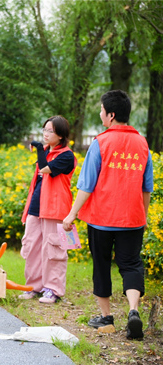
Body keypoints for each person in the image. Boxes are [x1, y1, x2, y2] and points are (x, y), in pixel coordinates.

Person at [63, 90, 153, 340]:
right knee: (131, 264)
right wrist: (142, 217)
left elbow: (87, 185)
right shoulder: (142, 143)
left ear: (111, 115)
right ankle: (133, 311)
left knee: (102, 265)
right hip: (133, 219)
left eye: (102, 110)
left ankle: (107, 318)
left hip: (102, 219)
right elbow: (147, 187)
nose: (100, 114)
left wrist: (71, 214)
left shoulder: (100, 142)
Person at [19, 116, 77, 304]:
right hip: (36, 206)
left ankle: (53, 289)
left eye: (50, 131)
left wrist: (37, 148)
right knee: (32, 246)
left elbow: (45, 169)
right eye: (44, 129)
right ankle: (34, 287)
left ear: (61, 135)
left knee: (55, 249)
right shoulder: (45, 151)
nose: (45, 134)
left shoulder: (67, 155)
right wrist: (40, 148)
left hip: (56, 208)